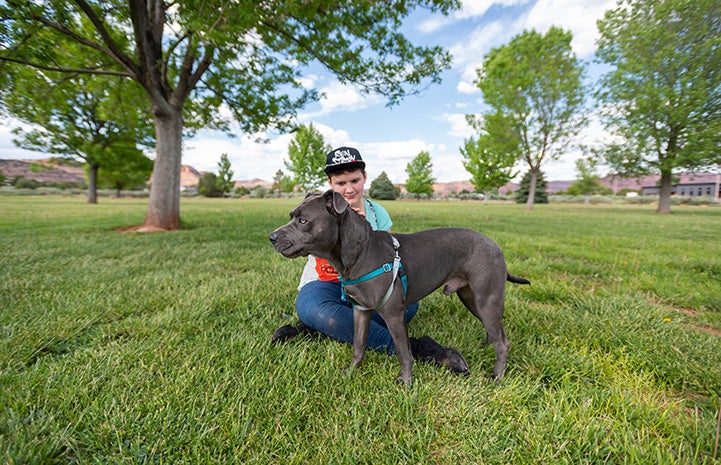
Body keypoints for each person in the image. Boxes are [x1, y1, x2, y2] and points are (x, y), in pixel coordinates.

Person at [272, 146, 468, 374]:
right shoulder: (321, 209)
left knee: (408, 306)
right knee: (312, 309)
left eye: (354, 181)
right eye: (340, 183)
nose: (349, 189)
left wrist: (364, 230)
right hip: (327, 283)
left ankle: (327, 328)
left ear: (364, 177)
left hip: (371, 287)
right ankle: (419, 349)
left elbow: (394, 260)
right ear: (330, 183)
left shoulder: (377, 213)